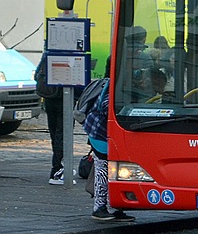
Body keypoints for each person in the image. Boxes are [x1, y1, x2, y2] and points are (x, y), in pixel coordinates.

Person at [82, 77, 134, 222]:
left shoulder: (117, 83)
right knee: (103, 168)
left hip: (104, 132)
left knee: (114, 168)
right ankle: (99, 208)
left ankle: (116, 207)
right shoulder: (113, 87)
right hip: (99, 132)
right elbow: (106, 107)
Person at [35, 50, 73, 185]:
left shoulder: (48, 53)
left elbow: (37, 75)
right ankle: (57, 171)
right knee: (63, 135)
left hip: (49, 98)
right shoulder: (71, 54)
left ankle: (59, 167)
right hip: (64, 99)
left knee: (55, 134)